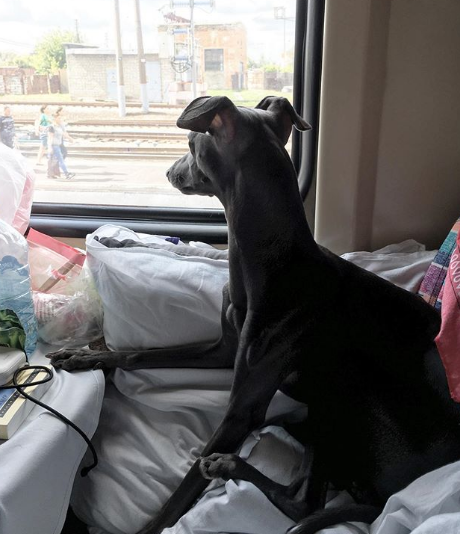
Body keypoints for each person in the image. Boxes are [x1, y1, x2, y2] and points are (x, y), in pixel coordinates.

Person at [48, 113, 75, 179]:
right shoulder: (52, 127)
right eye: (59, 118)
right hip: (54, 146)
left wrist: (71, 139)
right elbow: (50, 138)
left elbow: (64, 134)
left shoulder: (59, 126)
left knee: (55, 161)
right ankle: (66, 173)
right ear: (55, 119)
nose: (60, 119)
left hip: (58, 146)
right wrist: (50, 147)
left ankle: (51, 174)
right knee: (60, 160)